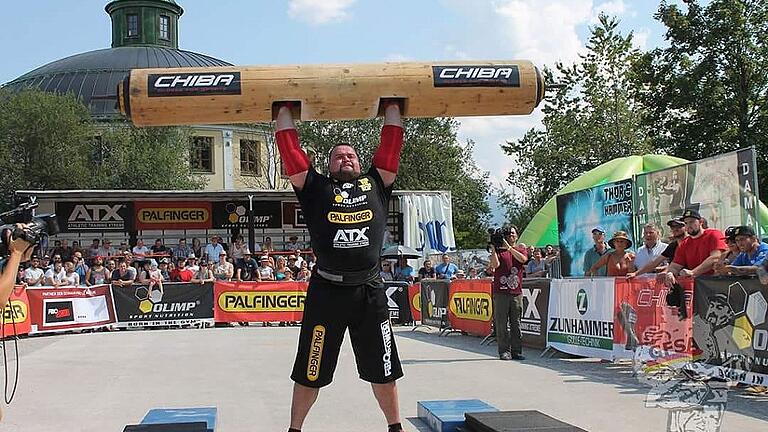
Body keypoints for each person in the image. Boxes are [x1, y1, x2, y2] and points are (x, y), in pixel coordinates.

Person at [276, 100, 405, 432]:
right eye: (338, 156)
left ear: (360, 163)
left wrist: (392, 105)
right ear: (329, 164)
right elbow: (292, 157)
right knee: (310, 368)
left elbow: (391, 149)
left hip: (369, 291)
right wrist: (282, 113)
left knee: (384, 367)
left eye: (350, 156)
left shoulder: (376, 183)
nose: (345, 159)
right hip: (327, 292)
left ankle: (395, 427)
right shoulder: (316, 188)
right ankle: (294, 430)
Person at [487, 225, 528, 361]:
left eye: (512, 233)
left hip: (516, 292)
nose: (510, 236)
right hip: (501, 292)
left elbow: (523, 259)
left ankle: (516, 351)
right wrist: (493, 250)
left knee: (516, 322)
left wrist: (509, 248)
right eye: (508, 234)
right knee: (501, 323)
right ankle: (504, 351)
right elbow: (495, 265)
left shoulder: (520, 249)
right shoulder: (499, 251)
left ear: (516, 235)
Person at [659, 209, 727, 285]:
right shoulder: (684, 244)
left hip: (716, 282)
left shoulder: (714, 234)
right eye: (686, 223)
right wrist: (670, 273)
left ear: (701, 222)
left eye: (692, 222)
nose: (689, 226)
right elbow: (675, 265)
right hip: (697, 285)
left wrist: (693, 272)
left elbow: (715, 257)